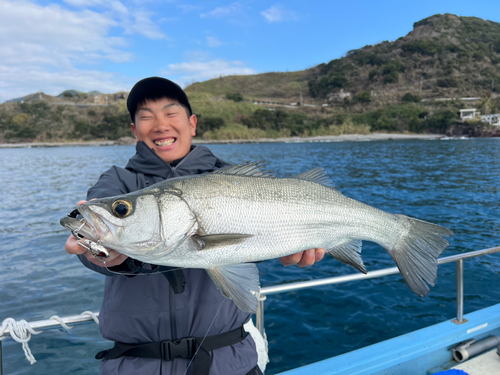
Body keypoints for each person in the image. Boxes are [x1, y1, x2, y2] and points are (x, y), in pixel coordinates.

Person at [65, 76, 325, 375]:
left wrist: (290, 248)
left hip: (230, 363)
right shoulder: (118, 182)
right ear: (135, 131)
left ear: (192, 123)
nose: (160, 124)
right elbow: (94, 238)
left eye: (171, 113)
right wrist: (103, 254)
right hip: (134, 366)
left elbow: (254, 244)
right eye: (147, 117)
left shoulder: (231, 178)